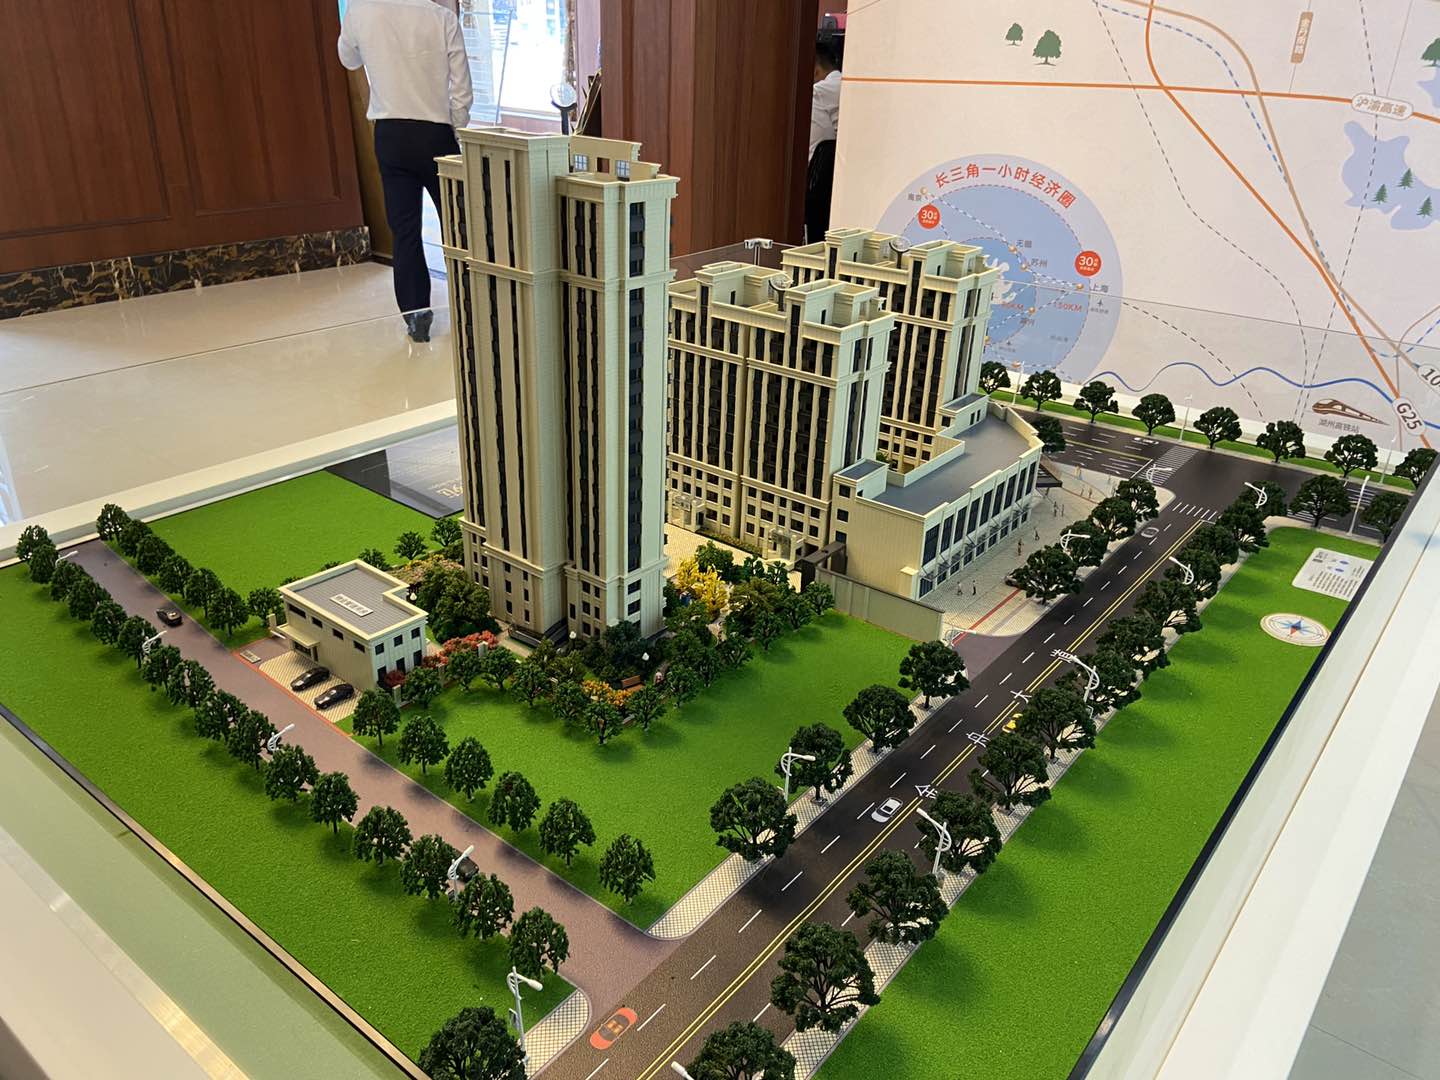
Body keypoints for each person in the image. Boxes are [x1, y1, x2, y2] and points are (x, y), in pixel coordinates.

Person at [339, 0, 473, 342]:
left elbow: (348, 58)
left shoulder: (360, 11)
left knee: (405, 230)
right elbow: (461, 88)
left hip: (391, 134)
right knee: (459, 228)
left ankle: (416, 317)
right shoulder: (442, 18)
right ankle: (471, 308)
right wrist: (456, 128)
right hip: (436, 134)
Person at [805, 31, 843, 242]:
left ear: (815, 70)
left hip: (819, 189)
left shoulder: (817, 92)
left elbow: (814, 146)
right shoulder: (850, 85)